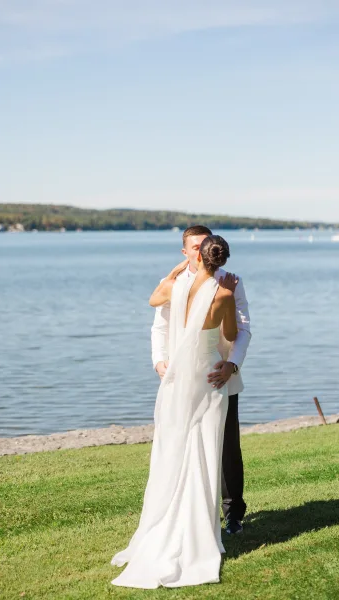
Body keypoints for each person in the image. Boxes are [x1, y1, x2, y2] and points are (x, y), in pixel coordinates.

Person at [110, 235, 240, 588]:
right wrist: (222, 298)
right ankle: (201, 531)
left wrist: (172, 272)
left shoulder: (175, 289)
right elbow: (231, 334)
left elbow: (154, 299)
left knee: (176, 451)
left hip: (180, 380)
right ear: (223, 261)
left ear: (195, 256)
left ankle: (169, 526)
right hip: (210, 379)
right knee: (205, 454)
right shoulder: (225, 294)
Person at [152, 226, 251, 534]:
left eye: (202, 245)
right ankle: (188, 511)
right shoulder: (174, 284)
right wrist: (159, 360)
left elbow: (243, 331)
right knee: (183, 441)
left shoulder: (230, 284)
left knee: (227, 447)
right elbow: (160, 326)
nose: (198, 251)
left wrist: (232, 365)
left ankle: (232, 513)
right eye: (193, 246)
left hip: (219, 377)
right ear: (185, 252)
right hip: (180, 377)